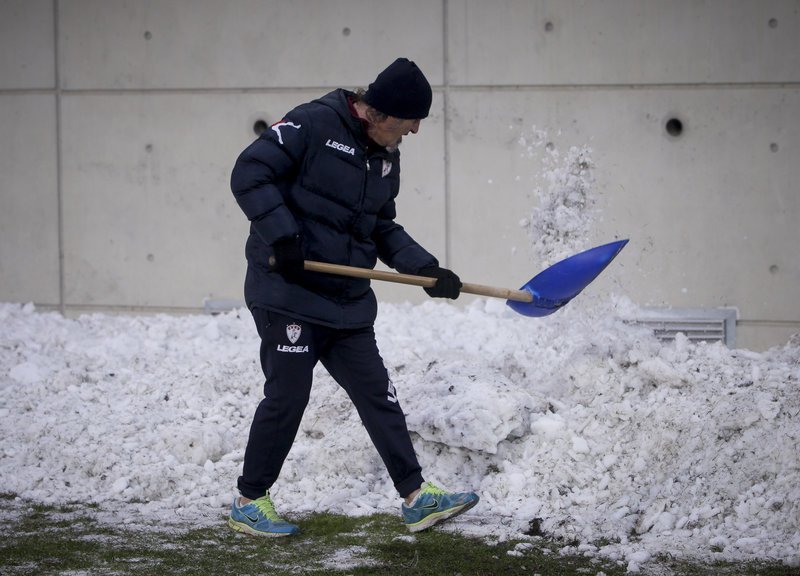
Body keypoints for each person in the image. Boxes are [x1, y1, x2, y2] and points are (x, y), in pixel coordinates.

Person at [228, 57, 479, 537]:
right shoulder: (312, 122)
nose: (415, 132)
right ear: (380, 112)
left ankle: (416, 497)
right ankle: (249, 501)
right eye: (409, 123)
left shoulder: (386, 154)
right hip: (287, 290)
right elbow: (249, 172)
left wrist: (425, 268)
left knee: (377, 395)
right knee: (288, 397)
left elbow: (381, 224)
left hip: (345, 300)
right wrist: (283, 238)